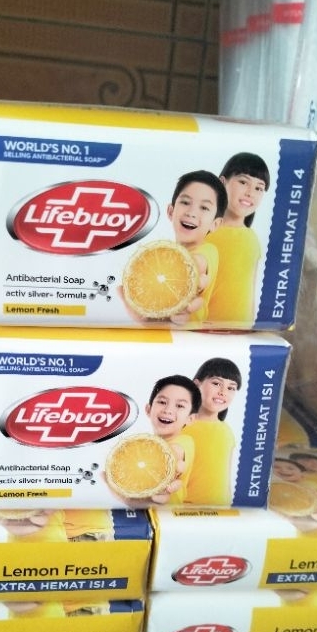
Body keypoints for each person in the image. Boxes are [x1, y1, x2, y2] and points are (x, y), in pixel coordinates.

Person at [119, 170, 226, 327]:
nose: (192, 213)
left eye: (204, 207)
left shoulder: (208, 250)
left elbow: (197, 264)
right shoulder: (170, 253)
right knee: (121, 291)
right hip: (169, 331)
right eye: (185, 202)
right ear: (170, 211)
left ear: (215, 224)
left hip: (192, 334)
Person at [207, 152, 271, 327]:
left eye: (259, 188)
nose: (250, 193)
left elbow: (250, 294)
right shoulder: (203, 232)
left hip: (238, 333)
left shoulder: (252, 239)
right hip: (200, 330)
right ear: (222, 182)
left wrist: (249, 328)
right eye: (243, 182)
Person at [182, 357, 242, 505]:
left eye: (231, 388)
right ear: (196, 385)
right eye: (216, 383)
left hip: (219, 511)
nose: (223, 392)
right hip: (184, 510)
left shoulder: (227, 431)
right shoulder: (180, 427)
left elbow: (226, 480)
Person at [143, 374, 202, 505]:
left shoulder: (183, 442)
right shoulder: (150, 444)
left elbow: (174, 454)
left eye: (179, 406)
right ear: (148, 409)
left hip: (170, 512)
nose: (168, 410)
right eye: (162, 402)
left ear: (190, 418)